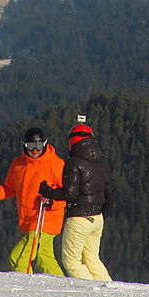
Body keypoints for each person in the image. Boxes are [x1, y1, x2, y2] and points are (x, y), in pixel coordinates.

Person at [0, 127, 66, 275]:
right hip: (28, 222)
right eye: (30, 146)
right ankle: (64, 289)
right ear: (24, 145)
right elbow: (8, 188)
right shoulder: (18, 165)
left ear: (45, 144)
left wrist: (52, 203)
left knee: (18, 259)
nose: (35, 150)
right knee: (45, 259)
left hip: (44, 222)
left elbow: (67, 195)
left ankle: (24, 290)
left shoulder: (55, 165)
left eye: (39, 145)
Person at [40, 116, 115, 281]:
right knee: (92, 259)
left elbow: (70, 194)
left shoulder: (73, 162)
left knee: (71, 261)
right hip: (97, 218)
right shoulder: (102, 161)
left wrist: (48, 192)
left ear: (72, 142)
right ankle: (108, 289)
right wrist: (102, 214)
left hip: (79, 218)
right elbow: (110, 192)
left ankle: (90, 291)